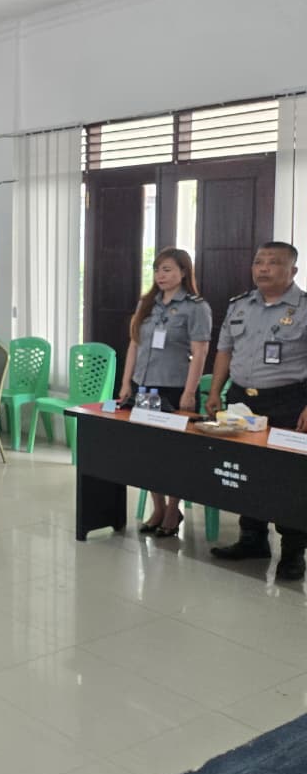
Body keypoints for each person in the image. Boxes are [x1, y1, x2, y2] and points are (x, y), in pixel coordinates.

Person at [208, 242, 307, 581]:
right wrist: (215, 391)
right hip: (241, 401)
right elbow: (224, 350)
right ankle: (252, 539)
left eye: (274, 263)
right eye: (258, 262)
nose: (263, 268)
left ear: (292, 271)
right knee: (246, 471)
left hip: (288, 401)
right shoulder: (240, 305)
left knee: (288, 477)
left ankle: (294, 551)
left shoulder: (305, 308)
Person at [116, 248, 212, 536]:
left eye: (168, 269)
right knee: (148, 452)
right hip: (145, 386)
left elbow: (201, 350)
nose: (161, 275)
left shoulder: (196, 307)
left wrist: (190, 391)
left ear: (184, 272)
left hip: (174, 387)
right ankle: (156, 508)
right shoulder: (147, 304)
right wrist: (125, 383)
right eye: (157, 269)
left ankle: (173, 510)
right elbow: (135, 345)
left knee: (172, 453)